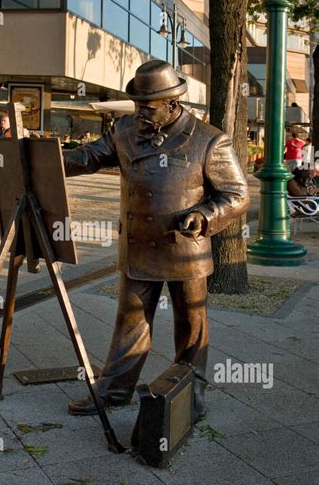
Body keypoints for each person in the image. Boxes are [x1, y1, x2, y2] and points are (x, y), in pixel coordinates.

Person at [62, 59, 249, 422]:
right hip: (140, 248)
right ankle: (114, 391)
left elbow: (238, 195)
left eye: (147, 106)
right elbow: (88, 157)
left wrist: (206, 215)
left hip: (185, 251)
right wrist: (43, 158)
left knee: (191, 326)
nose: (139, 112)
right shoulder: (125, 130)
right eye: (136, 105)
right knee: (130, 321)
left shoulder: (209, 140)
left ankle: (190, 389)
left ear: (172, 104)